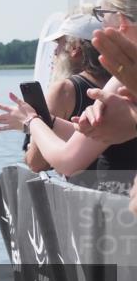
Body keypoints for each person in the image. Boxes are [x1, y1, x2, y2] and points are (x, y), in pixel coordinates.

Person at [0, 0, 137, 195]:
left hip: (116, 217)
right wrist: (49, 121)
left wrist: (32, 121)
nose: (101, 26)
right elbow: (99, 139)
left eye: (102, 15)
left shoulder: (121, 79)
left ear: (121, 22)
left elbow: (67, 160)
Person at [23, 11, 109, 173]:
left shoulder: (64, 91)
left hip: (83, 193)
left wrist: (30, 123)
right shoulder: (124, 84)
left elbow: (37, 163)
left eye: (59, 44)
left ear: (75, 48)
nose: (55, 52)